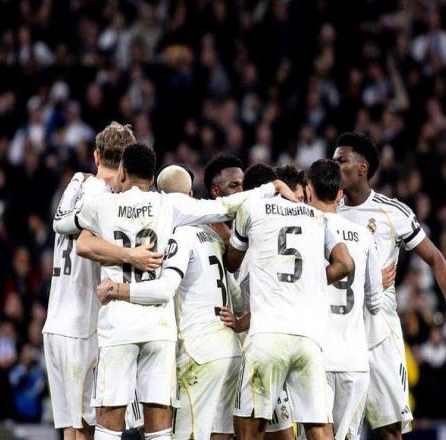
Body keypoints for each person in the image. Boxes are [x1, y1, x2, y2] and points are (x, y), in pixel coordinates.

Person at [74, 144, 298, 440]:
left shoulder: (102, 204)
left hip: (122, 322)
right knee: (161, 425)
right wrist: (270, 188)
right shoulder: (171, 207)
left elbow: (76, 237)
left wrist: (124, 263)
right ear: (152, 178)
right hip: (161, 330)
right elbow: (225, 206)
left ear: (123, 173)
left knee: (109, 421)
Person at [332, 132, 446, 439]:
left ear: (362, 167)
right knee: (333, 431)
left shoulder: (392, 212)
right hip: (339, 331)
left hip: (380, 333)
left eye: (341, 160)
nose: (334, 166)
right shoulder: (326, 211)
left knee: (389, 430)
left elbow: (436, 258)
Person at [96, 164, 242, 440]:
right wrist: (241, 321)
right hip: (229, 350)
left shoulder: (179, 236)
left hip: (198, 352)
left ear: (160, 198)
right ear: (190, 194)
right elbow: (237, 295)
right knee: (219, 433)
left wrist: (118, 289)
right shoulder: (213, 235)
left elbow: (165, 288)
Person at [226, 163, 354, 440]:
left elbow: (231, 261)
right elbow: (345, 263)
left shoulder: (253, 208)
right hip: (309, 338)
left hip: (267, 335)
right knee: (319, 428)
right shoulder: (316, 217)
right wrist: (312, 280)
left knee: (249, 427)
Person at [42, 121, 145, 440]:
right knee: (87, 427)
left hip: (55, 323)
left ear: (96, 156)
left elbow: (61, 223)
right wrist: (132, 255)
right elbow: (88, 246)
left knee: (72, 427)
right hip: (83, 329)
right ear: (127, 163)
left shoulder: (75, 187)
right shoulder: (110, 201)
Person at [205, 158, 296, 439]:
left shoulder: (261, 227)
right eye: (234, 186)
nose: (243, 191)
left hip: (263, 344)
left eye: (244, 185)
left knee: (281, 433)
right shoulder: (204, 232)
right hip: (225, 351)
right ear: (216, 192)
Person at [306, 159, 383, 440]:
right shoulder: (363, 235)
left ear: (308, 191)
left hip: (317, 357)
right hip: (354, 359)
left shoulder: (304, 231)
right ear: (340, 194)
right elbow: (375, 301)